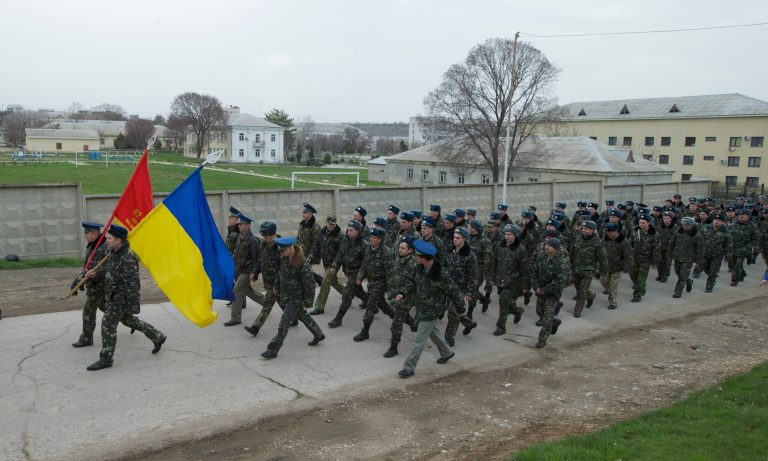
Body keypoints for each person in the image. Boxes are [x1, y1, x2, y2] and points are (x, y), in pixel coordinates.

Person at [84, 224, 166, 371]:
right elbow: (110, 269)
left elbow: (133, 284)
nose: (107, 240)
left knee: (108, 324)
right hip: (113, 295)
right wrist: (96, 273)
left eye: (110, 238)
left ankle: (106, 359)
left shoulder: (128, 257)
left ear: (119, 240)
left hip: (121, 298)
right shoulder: (114, 252)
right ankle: (158, 336)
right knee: (129, 321)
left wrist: (133, 306)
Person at [394, 240, 458, 378]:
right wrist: (402, 293)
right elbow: (412, 282)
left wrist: (461, 308)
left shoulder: (441, 274)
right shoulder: (419, 268)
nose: (415, 258)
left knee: (419, 339)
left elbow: (454, 291)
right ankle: (447, 352)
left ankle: (409, 367)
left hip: (433, 310)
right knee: (432, 331)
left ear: (423, 258)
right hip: (421, 307)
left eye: (417, 256)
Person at [260, 237, 325, 359]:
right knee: (303, 315)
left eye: (283, 250)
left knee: (283, 323)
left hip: (296, 298)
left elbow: (310, 284)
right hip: (287, 295)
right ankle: (318, 334)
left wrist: (308, 301)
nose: (281, 253)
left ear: (291, 248)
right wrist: (276, 285)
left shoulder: (302, 263)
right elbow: (280, 273)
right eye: (280, 251)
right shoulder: (284, 258)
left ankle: (273, 349)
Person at [71, 221, 109, 347]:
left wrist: (80, 281)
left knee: (88, 311)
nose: (85, 235)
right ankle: (131, 321)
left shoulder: (103, 248)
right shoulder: (93, 245)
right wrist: (77, 281)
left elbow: (93, 270)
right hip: (95, 285)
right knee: (107, 309)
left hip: (99, 286)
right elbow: (87, 268)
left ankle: (87, 338)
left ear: (94, 233)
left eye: (87, 233)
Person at [487, 224, 530, 335]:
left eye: (509, 234)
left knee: (503, 301)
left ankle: (501, 327)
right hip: (501, 280)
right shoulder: (499, 246)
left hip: (513, 283)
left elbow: (524, 269)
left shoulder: (521, 250)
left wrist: (525, 286)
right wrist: (492, 277)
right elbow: (494, 262)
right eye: (505, 234)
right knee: (508, 303)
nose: (506, 236)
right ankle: (517, 311)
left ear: (515, 235)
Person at [327, 220, 369, 328]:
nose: (348, 232)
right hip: (349, 271)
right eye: (348, 230)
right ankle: (370, 303)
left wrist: (360, 275)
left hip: (357, 272)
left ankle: (338, 318)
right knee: (358, 290)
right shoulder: (346, 240)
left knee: (347, 294)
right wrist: (334, 266)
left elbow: (366, 263)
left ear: (358, 231)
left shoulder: (364, 244)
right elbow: (340, 255)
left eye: (351, 230)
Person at [243, 222, 282, 337]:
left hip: (277, 283)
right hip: (268, 282)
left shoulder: (281, 248)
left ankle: (255, 328)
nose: (265, 239)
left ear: (274, 235)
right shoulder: (264, 245)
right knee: (283, 303)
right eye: (264, 237)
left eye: (267, 237)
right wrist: (255, 272)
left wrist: (277, 283)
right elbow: (260, 261)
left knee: (267, 305)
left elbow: (284, 269)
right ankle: (294, 318)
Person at [384, 236, 419, 358]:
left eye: (403, 248)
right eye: (399, 247)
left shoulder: (414, 263)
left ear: (410, 250)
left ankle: (393, 347)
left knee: (397, 321)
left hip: (407, 297)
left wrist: (403, 293)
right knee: (404, 316)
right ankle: (414, 325)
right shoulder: (399, 259)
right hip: (397, 294)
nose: (400, 250)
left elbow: (413, 282)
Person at [443, 227, 479, 346]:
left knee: (452, 311)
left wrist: (469, 293)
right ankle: (469, 324)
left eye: (458, 238)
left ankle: (449, 337)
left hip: (460, 288)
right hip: (448, 286)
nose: (455, 240)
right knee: (456, 311)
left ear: (464, 239)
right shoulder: (450, 251)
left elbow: (473, 276)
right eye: (454, 237)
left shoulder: (470, 255)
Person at [226, 213, 261, 326]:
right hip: (238, 269)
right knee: (249, 292)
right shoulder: (240, 237)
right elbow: (236, 253)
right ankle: (267, 303)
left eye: (241, 224)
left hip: (247, 271)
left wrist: (255, 272)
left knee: (236, 290)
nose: (239, 225)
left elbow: (257, 259)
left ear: (248, 225)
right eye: (239, 224)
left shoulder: (252, 240)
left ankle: (235, 318)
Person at [532, 238, 566, 348]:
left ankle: (542, 338)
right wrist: (536, 287)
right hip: (540, 291)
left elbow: (559, 281)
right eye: (546, 245)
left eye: (549, 246)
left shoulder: (560, 263)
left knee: (546, 319)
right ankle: (554, 322)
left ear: (555, 249)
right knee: (540, 312)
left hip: (552, 294)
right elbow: (534, 272)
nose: (546, 247)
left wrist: (544, 290)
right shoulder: (541, 257)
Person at [569, 220, 607, 317]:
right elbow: (572, 252)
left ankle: (578, 309)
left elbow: (602, 259)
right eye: (583, 228)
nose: (584, 230)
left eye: (586, 229)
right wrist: (570, 265)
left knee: (582, 291)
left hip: (588, 271)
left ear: (593, 230)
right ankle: (590, 296)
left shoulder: (598, 243)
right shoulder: (578, 239)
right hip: (576, 269)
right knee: (578, 288)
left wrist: (603, 272)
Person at [308, 215, 344, 315]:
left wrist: (335, 265)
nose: (332, 226)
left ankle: (319, 307)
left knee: (325, 282)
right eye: (330, 224)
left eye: (333, 224)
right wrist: (310, 256)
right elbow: (316, 246)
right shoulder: (322, 233)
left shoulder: (340, 235)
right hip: (326, 263)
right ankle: (348, 293)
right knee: (334, 282)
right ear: (326, 222)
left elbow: (341, 253)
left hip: (334, 264)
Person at [601, 222, 633, 309]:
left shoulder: (624, 241)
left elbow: (628, 256)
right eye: (607, 232)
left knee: (613, 286)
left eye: (610, 232)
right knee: (603, 281)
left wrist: (627, 267)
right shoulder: (605, 238)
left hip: (617, 267)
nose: (608, 234)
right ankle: (610, 291)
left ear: (616, 231)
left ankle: (613, 302)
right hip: (606, 266)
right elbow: (601, 250)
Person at [670, 217, 703, 298]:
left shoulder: (697, 235)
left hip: (688, 259)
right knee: (678, 273)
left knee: (682, 276)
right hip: (677, 256)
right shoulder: (678, 231)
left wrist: (698, 262)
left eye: (687, 225)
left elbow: (700, 249)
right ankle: (689, 281)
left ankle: (678, 292)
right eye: (684, 224)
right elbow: (672, 243)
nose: (685, 226)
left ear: (692, 225)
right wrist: (669, 254)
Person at [629, 215, 659, 302]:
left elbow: (656, 248)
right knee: (632, 274)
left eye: (643, 223)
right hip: (635, 257)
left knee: (641, 278)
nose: (641, 224)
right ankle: (641, 287)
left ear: (648, 223)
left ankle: (637, 295)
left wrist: (655, 261)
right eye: (640, 222)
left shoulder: (654, 234)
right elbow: (631, 242)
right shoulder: (635, 231)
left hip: (646, 259)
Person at [700, 213, 731, 293]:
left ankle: (709, 286)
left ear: (722, 222)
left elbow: (729, 244)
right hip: (705, 253)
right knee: (703, 267)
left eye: (719, 220)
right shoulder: (706, 228)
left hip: (717, 255)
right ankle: (712, 275)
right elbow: (699, 239)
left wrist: (728, 255)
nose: (717, 221)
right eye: (715, 220)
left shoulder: (725, 231)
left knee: (713, 271)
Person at [729, 209, 759, 286]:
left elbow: (755, 240)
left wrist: (747, 247)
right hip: (733, 249)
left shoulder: (753, 226)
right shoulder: (733, 224)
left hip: (744, 249)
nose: (741, 217)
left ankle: (735, 280)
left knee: (738, 265)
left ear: (748, 216)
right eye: (739, 216)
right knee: (733, 264)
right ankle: (742, 274)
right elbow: (728, 235)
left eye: (743, 216)